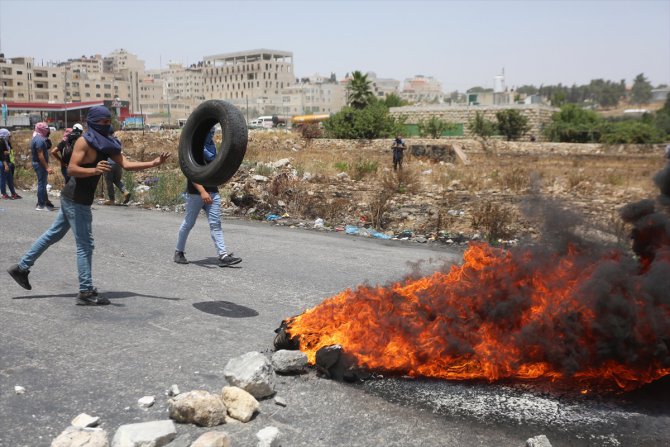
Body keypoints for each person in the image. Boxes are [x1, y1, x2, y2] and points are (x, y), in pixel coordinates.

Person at [7, 106, 170, 305]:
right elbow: (73, 169)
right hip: (76, 199)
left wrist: (153, 163)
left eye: (109, 121)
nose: (107, 124)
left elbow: (126, 164)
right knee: (85, 245)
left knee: (53, 235)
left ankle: (21, 268)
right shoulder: (84, 142)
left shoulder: (107, 143)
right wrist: (94, 170)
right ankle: (85, 291)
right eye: (103, 122)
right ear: (93, 122)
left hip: (75, 198)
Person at [174, 126, 241, 268]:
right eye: (208, 132)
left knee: (215, 224)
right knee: (189, 223)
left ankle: (223, 256)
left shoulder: (213, 149)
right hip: (196, 193)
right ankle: (179, 252)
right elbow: (191, 173)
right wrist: (202, 192)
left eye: (213, 132)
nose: (211, 135)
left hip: (212, 191)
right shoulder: (193, 149)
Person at [30, 122, 55, 210]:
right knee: (41, 184)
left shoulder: (38, 137)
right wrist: (47, 167)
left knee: (43, 183)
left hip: (39, 164)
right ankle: (41, 205)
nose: (47, 130)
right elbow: (40, 155)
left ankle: (45, 201)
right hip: (40, 164)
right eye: (46, 129)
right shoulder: (39, 140)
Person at [0, 128, 21, 199]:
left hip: (8, 162)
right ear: (4, 135)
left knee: (10, 178)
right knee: (3, 178)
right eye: (8, 136)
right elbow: (2, 155)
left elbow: (8, 152)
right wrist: (5, 165)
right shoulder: (1, 142)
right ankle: (3, 193)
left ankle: (13, 193)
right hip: (3, 163)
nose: (10, 137)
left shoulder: (6, 142)